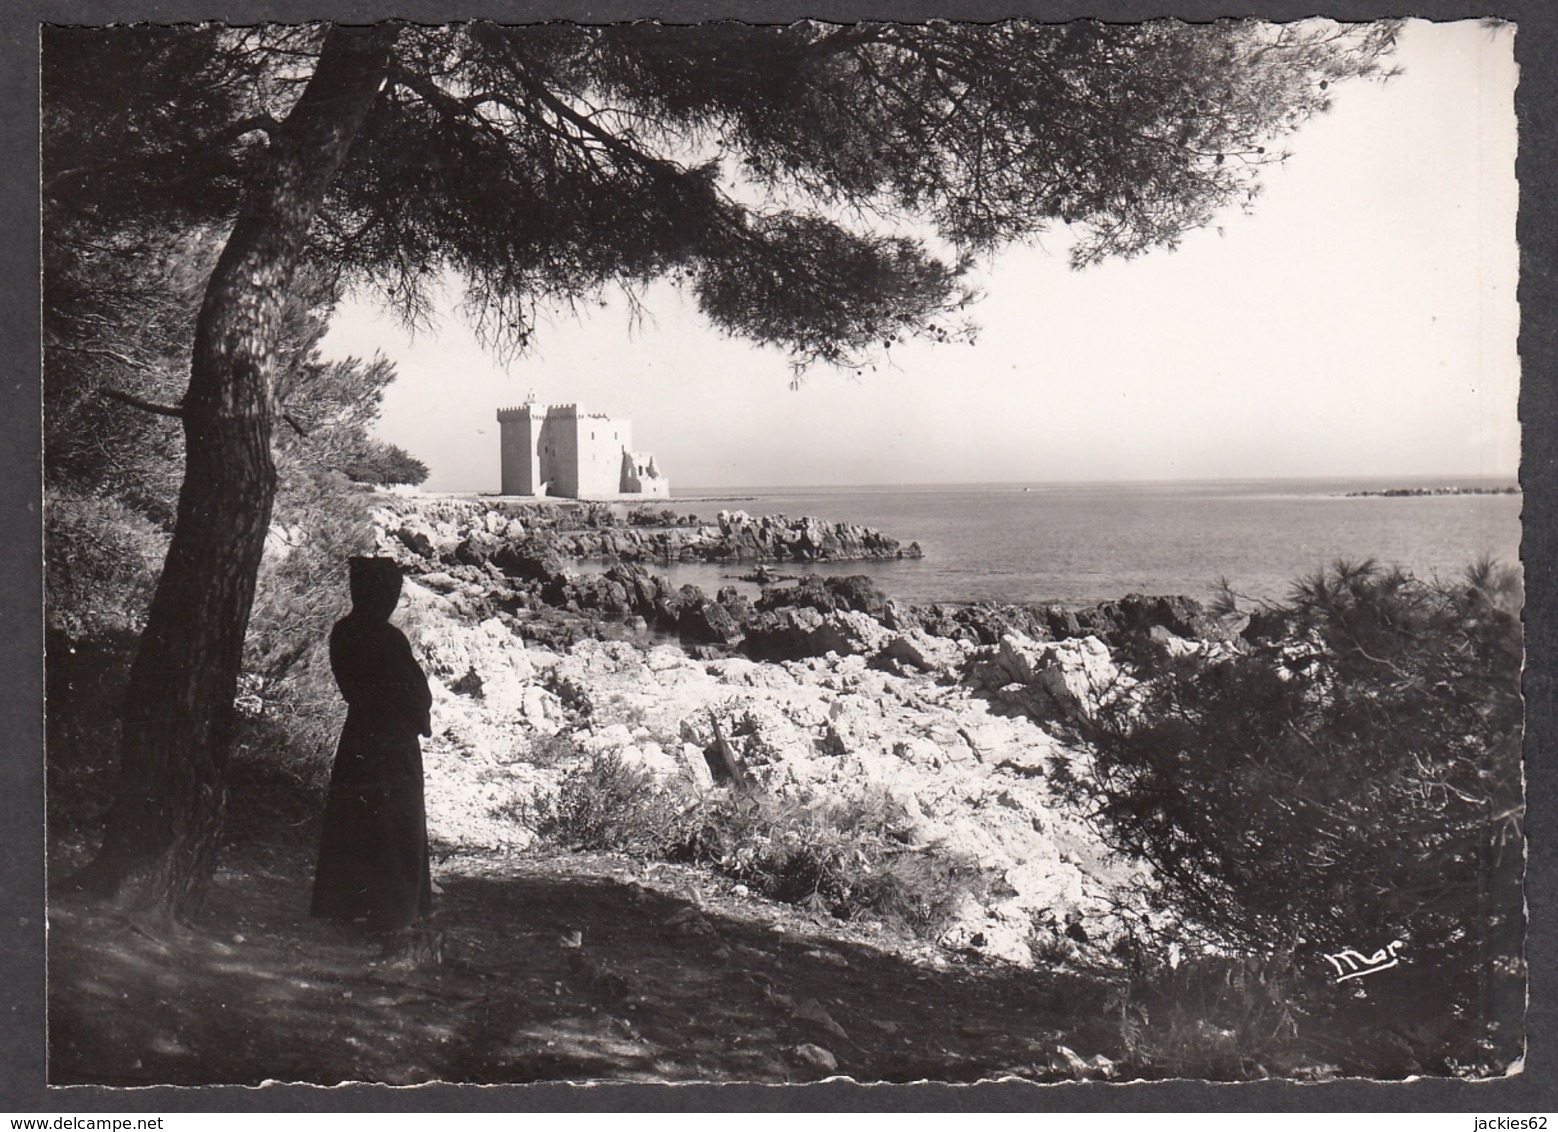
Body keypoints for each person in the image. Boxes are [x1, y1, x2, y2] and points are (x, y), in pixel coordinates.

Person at [310, 556, 433, 931]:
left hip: (359, 735)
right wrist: (419, 718)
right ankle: (392, 910)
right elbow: (415, 693)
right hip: (392, 741)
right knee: (396, 823)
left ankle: (348, 905)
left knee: (355, 821)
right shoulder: (386, 637)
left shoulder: (342, 631)